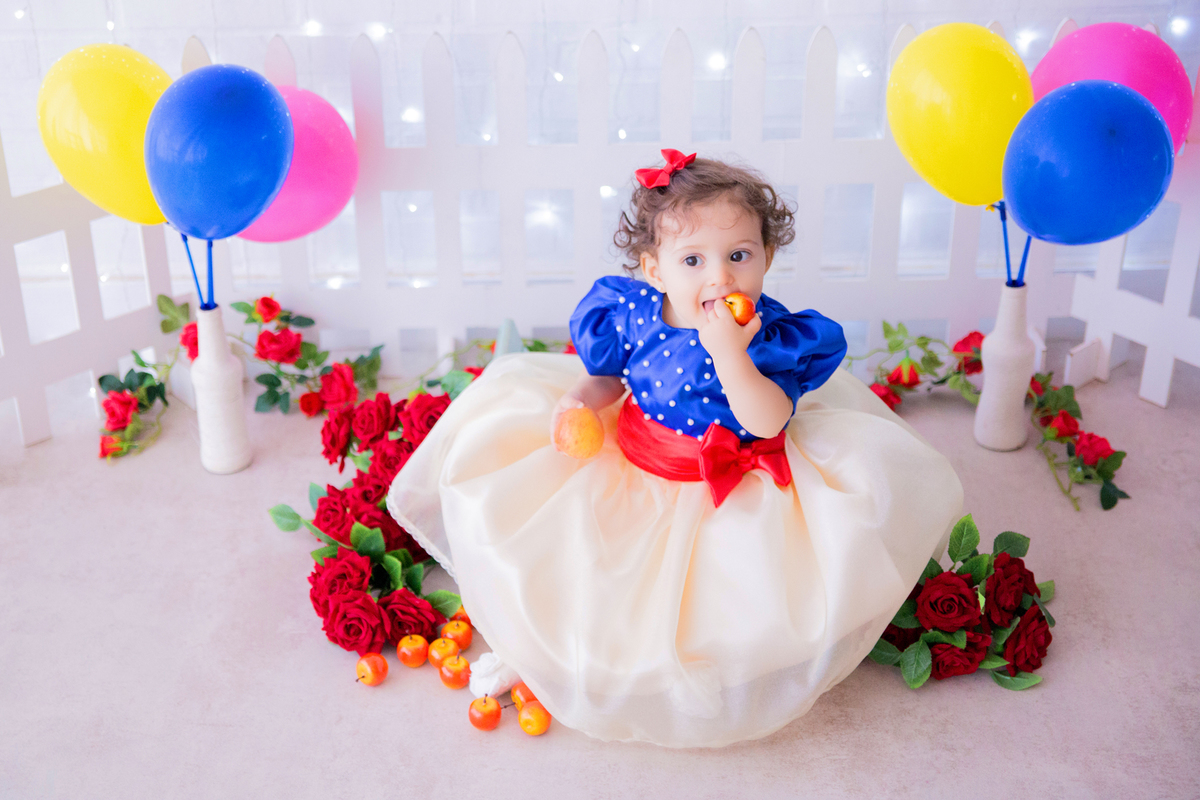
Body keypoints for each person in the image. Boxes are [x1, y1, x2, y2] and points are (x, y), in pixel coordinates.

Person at [388, 150, 963, 747]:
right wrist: (579, 401)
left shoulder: (768, 335)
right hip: (634, 464)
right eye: (693, 260)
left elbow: (767, 420)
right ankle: (538, 653)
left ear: (767, 256)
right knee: (586, 572)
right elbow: (613, 378)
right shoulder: (636, 313)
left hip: (730, 481)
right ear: (655, 269)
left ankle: (694, 673)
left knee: (727, 605)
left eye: (739, 255)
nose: (720, 278)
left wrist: (731, 355)